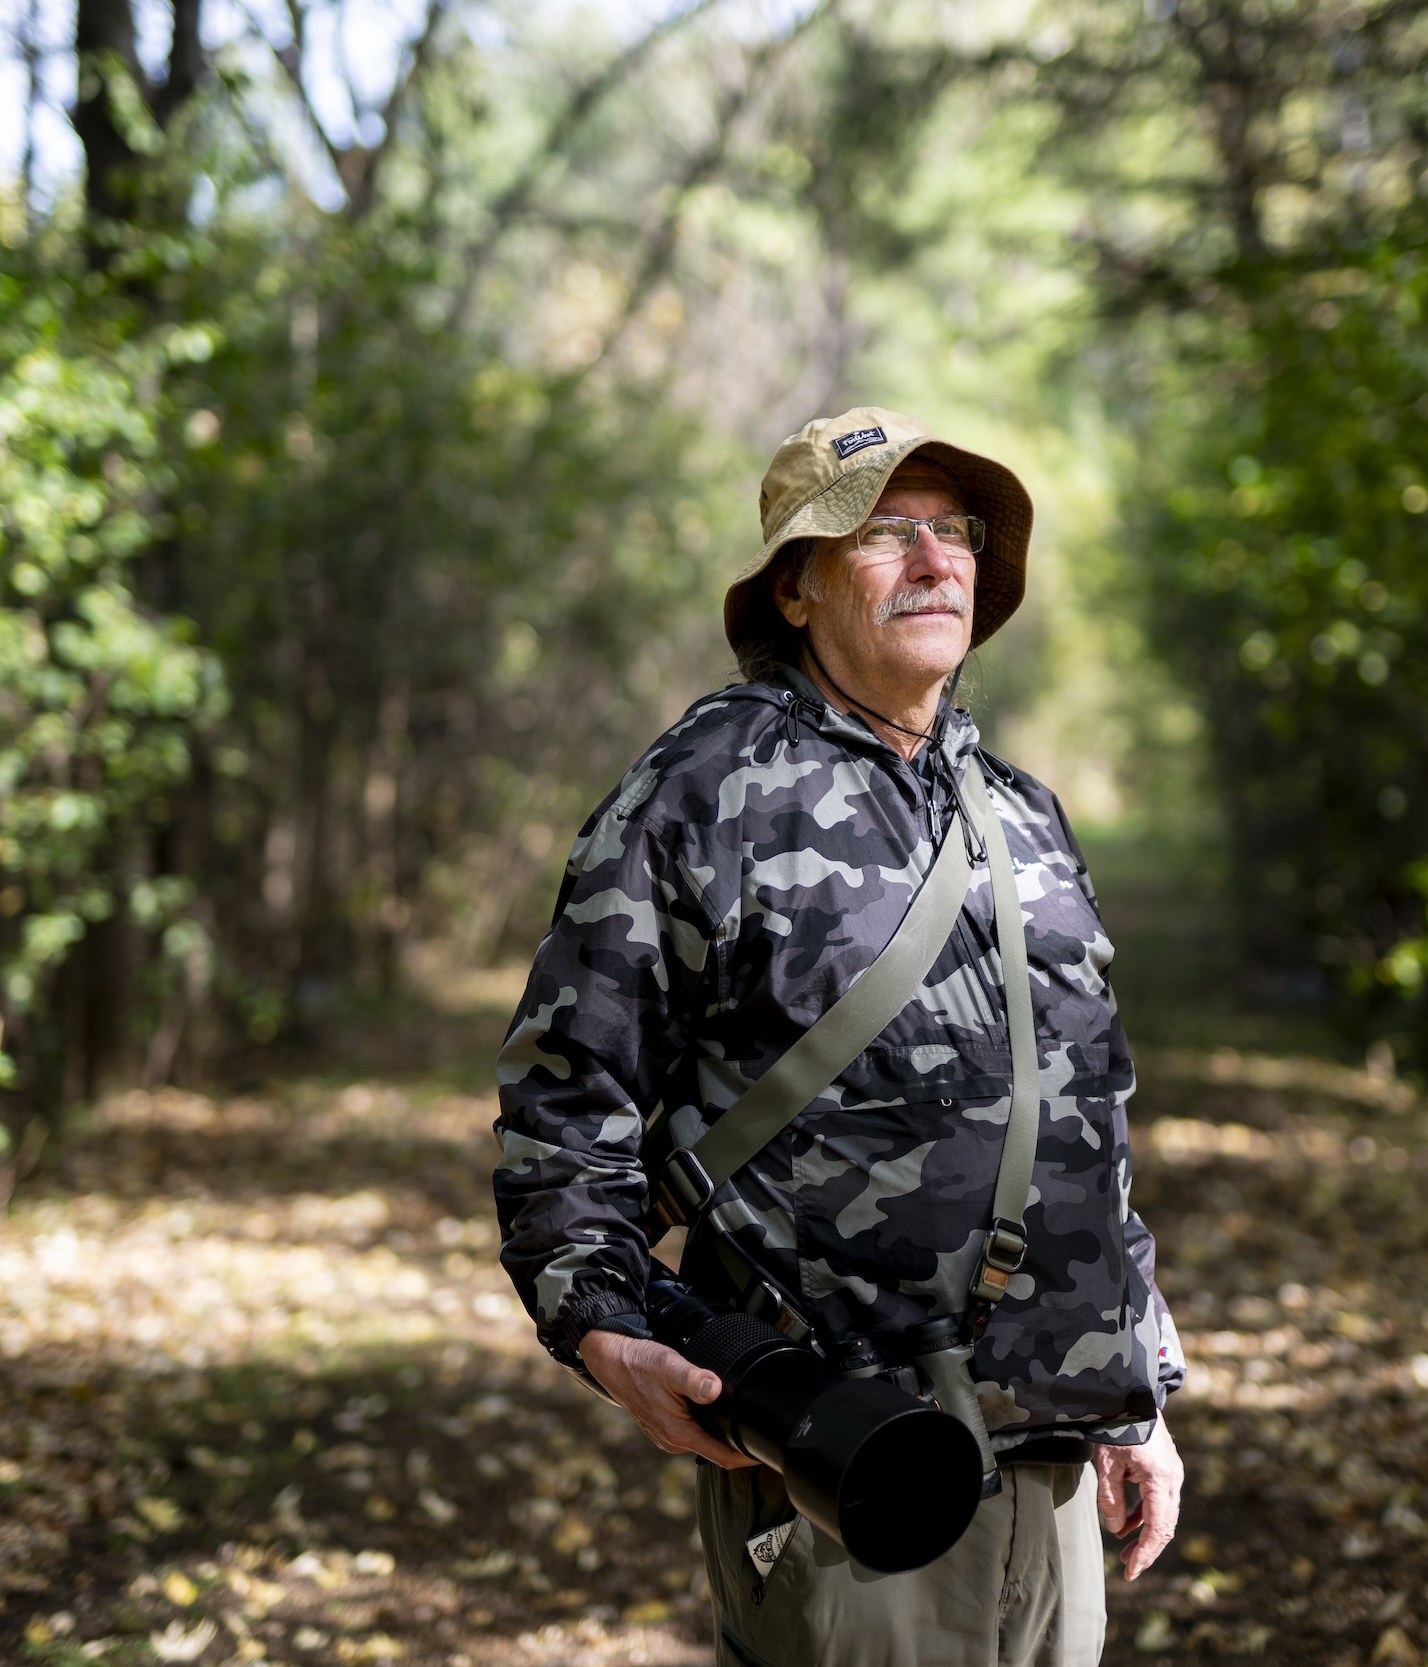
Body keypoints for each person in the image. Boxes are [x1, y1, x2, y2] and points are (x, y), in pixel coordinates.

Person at [494, 407, 1185, 1667]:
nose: (932, 559)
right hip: (850, 1472)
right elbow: (565, 1094)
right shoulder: (701, 792)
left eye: (953, 528)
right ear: (798, 590)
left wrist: (1137, 1389)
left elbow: (1085, 1122)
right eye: (882, 531)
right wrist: (601, 1326)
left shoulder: (1021, 811)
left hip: (1055, 1463)